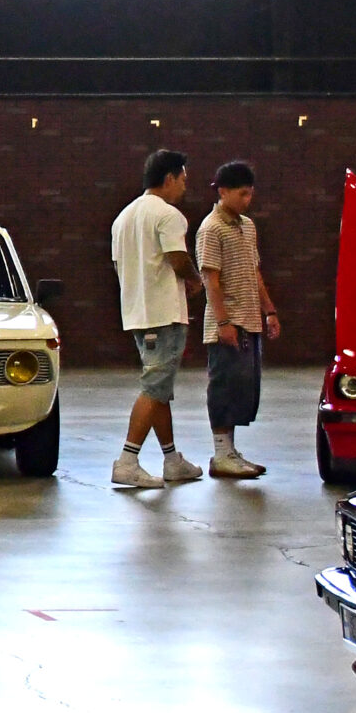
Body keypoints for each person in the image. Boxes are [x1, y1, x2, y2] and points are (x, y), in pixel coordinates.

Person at [109, 148, 204, 490]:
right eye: (183, 180)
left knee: (160, 388)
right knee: (154, 388)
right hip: (163, 314)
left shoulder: (123, 217)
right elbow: (177, 257)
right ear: (169, 178)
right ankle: (127, 461)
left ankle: (171, 459)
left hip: (137, 313)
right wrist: (195, 280)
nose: (185, 187)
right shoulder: (168, 215)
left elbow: (118, 265)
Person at [198, 160, 281, 480]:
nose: (247, 200)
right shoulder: (211, 228)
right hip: (227, 322)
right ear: (223, 191)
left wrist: (269, 311)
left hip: (250, 320)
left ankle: (231, 451)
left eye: (250, 194)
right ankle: (221, 453)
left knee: (243, 390)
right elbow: (210, 280)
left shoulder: (247, 226)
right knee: (223, 386)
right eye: (241, 194)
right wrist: (223, 323)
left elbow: (254, 272)